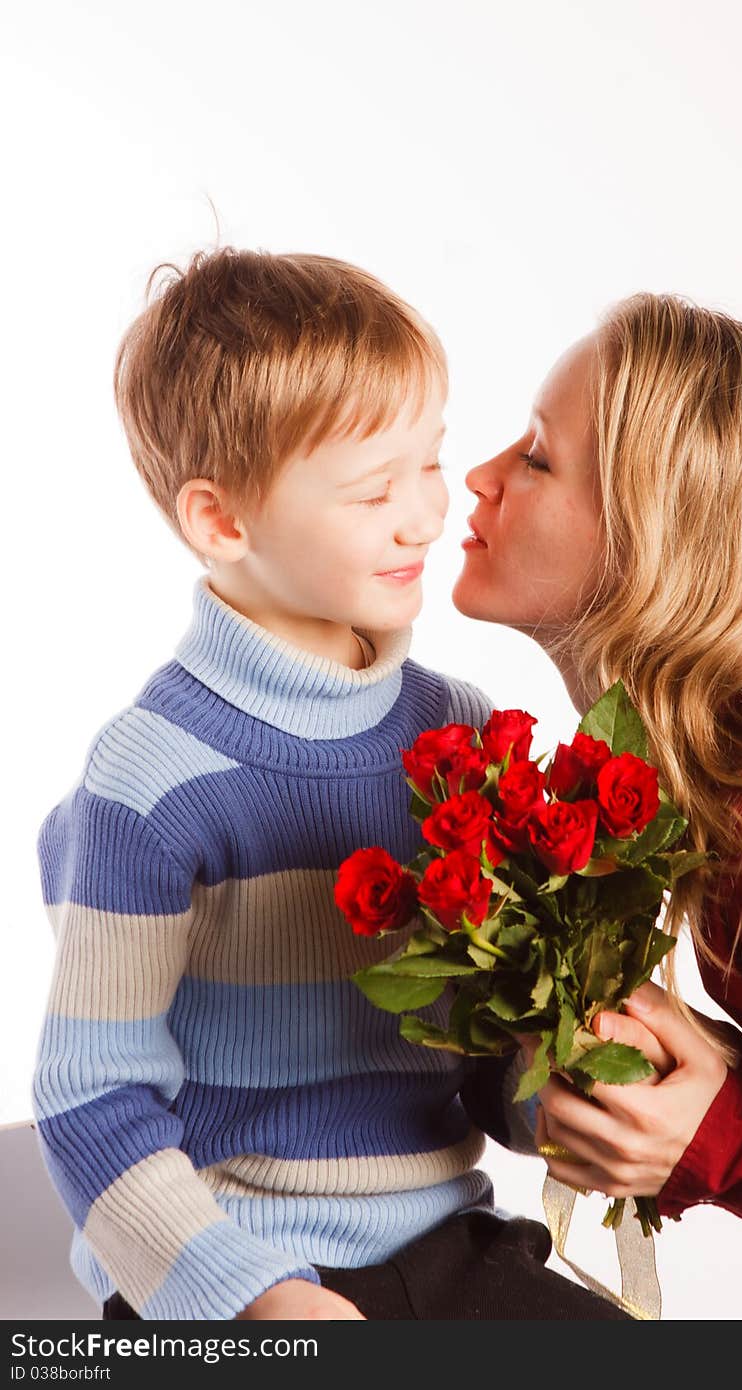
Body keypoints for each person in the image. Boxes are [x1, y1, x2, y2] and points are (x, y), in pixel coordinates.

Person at [32, 248, 630, 1321]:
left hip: (449, 1247)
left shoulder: (458, 732)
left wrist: (560, 1094)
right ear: (222, 522)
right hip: (229, 1266)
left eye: (430, 463)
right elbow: (89, 1094)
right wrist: (252, 1295)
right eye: (373, 490)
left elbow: (476, 1040)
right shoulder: (151, 778)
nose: (425, 515)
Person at [453, 292, 742, 1272]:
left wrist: (730, 1141)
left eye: (535, 458)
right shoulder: (714, 800)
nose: (476, 479)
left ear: (652, 545)